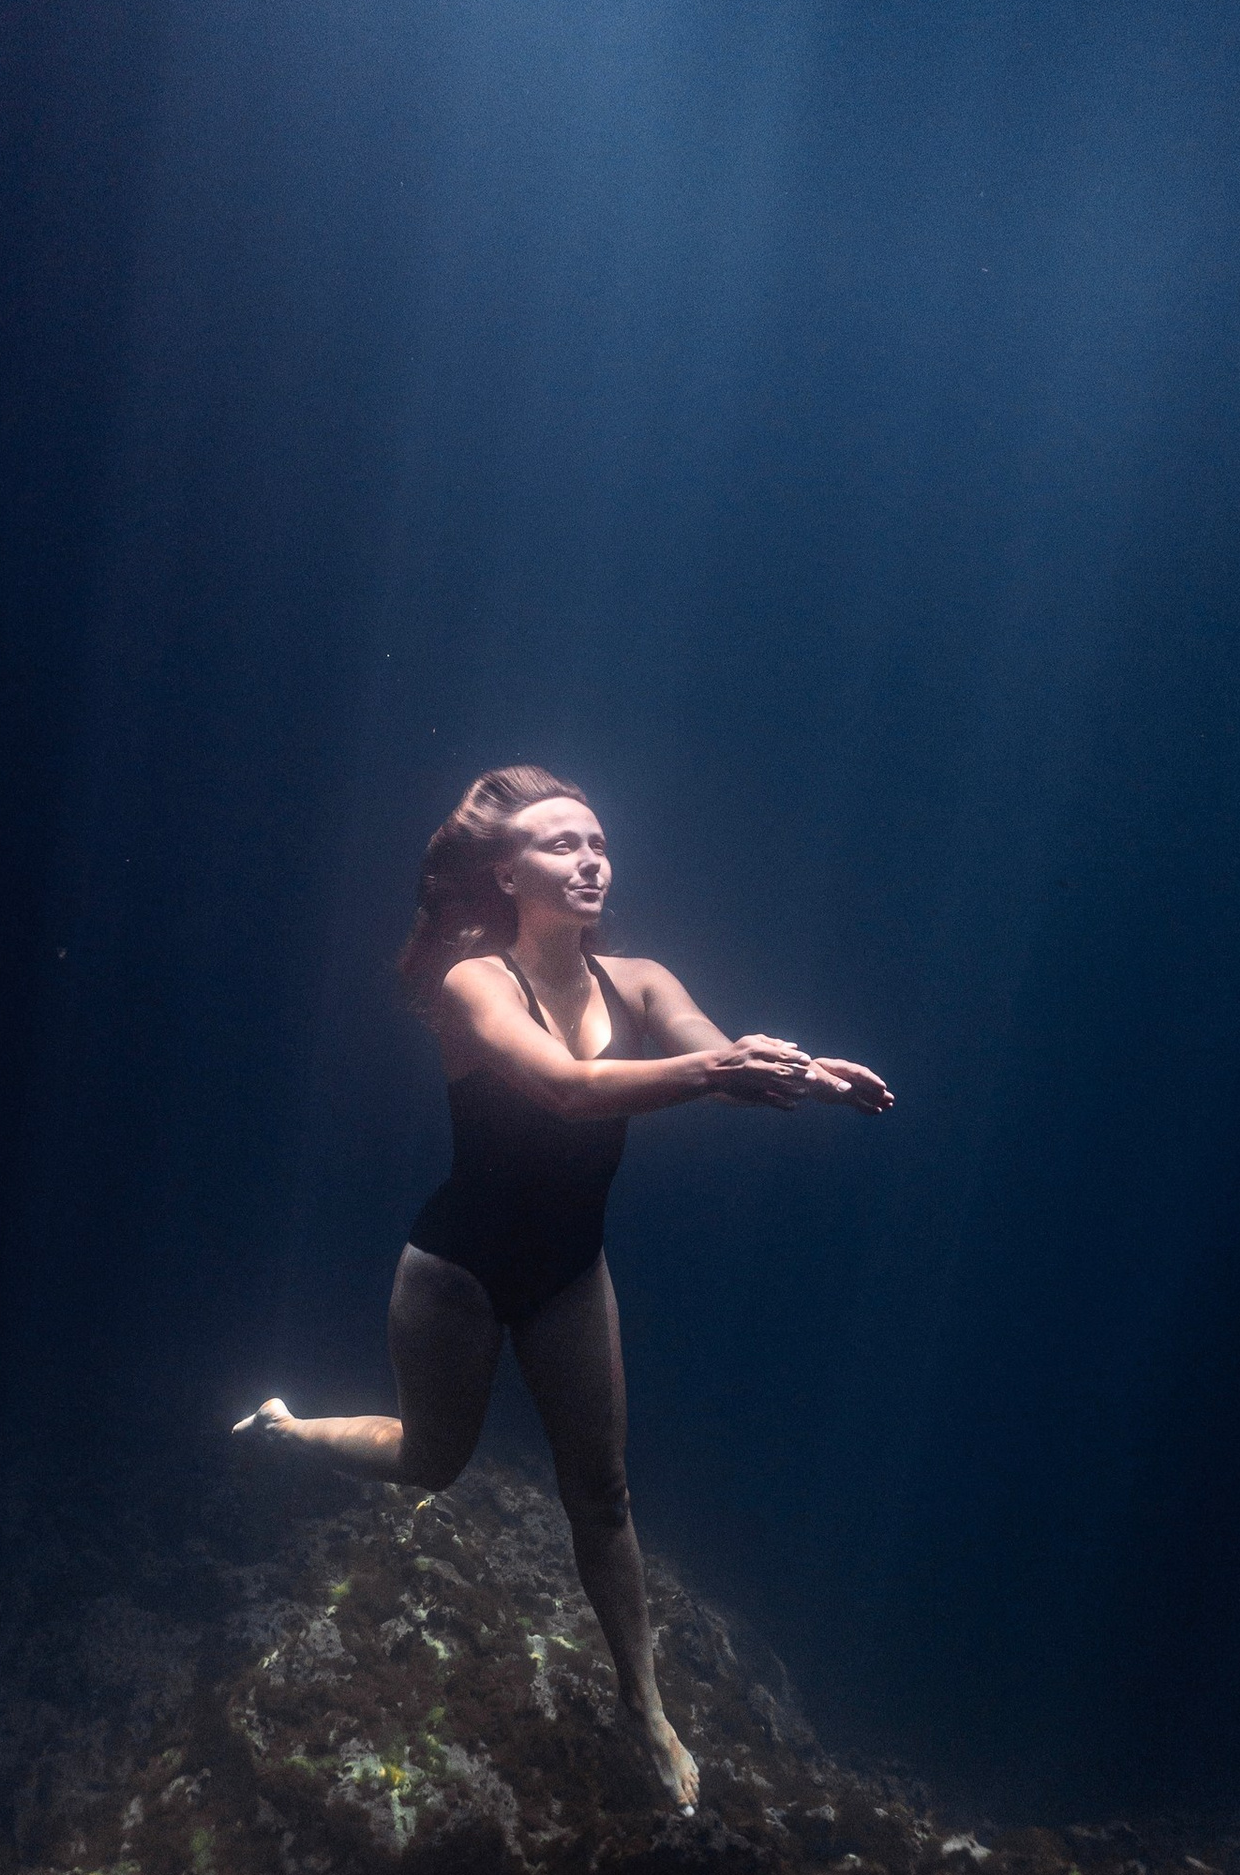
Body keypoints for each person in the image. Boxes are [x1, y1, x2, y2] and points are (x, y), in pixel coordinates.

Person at [235, 764, 891, 1811]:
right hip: (454, 1273)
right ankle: (282, 1428)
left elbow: (721, 1058)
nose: (590, 860)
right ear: (505, 873)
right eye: (561, 845)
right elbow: (565, 1090)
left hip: (570, 1274)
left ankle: (645, 1704)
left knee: (604, 1495)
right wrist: (720, 1077)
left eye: (597, 843)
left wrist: (811, 1075)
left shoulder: (639, 980)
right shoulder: (472, 982)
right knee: (428, 1463)